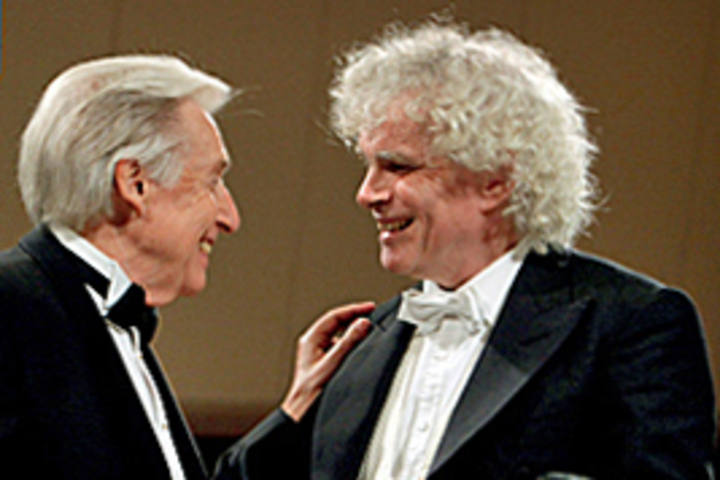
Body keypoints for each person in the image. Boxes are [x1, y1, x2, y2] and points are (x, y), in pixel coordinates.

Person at [217, 20, 717, 479]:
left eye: (397, 167)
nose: (367, 193)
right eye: (368, 166)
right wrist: (296, 407)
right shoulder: (360, 346)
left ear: (495, 181)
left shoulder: (629, 324)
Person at [0, 55, 373, 479]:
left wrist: (298, 406)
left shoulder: (114, 322)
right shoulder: (10, 308)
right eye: (212, 181)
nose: (230, 217)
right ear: (135, 183)